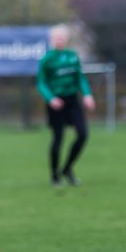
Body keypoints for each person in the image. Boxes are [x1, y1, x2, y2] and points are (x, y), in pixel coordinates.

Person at [36, 23, 95, 186]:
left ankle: (67, 168)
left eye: (62, 37)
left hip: (72, 101)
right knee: (58, 139)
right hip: (56, 103)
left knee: (83, 134)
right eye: (56, 38)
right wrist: (51, 98)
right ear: (52, 40)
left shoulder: (72, 56)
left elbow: (80, 78)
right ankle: (54, 176)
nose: (59, 40)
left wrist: (87, 95)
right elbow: (41, 83)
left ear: (67, 39)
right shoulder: (47, 59)